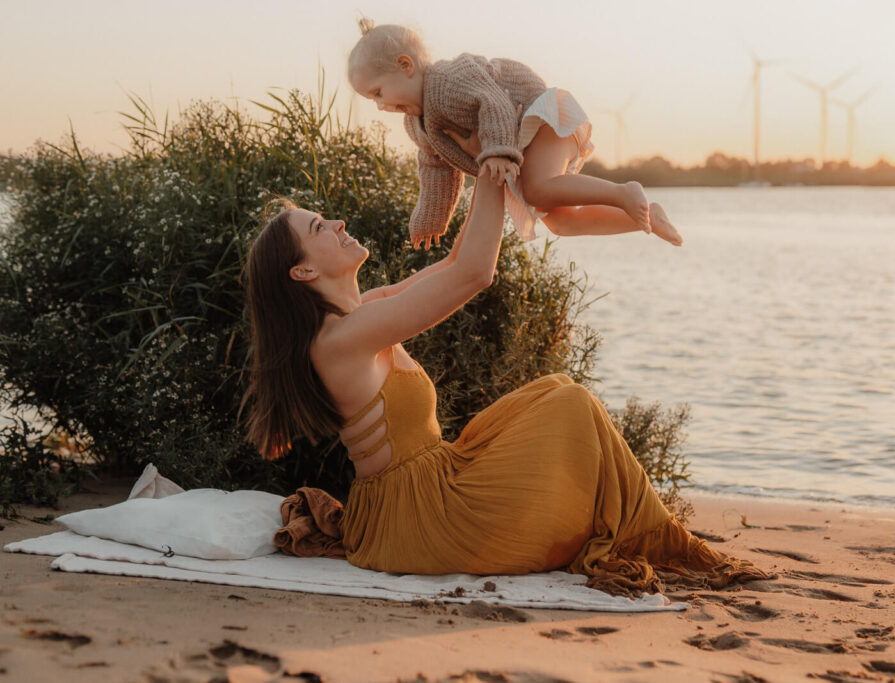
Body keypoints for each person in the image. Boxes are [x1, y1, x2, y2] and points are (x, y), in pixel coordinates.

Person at [243, 149, 768, 595]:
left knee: (555, 389)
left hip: (429, 489)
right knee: (573, 405)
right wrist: (497, 164)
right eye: (319, 228)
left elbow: (454, 262)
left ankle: (647, 532)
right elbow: (475, 272)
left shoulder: (363, 315)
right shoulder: (341, 340)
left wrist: (485, 166)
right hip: (421, 519)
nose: (337, 224)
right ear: (304, 271)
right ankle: (656, 537)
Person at [347, 19, 684, 250]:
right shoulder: (418, 124)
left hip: (537, 117)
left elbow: (493, 103)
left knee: (538, 189)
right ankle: (647, 218)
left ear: (406, 66)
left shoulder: (449, 79)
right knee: (561, 223)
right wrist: (429, 218)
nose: (379, 106)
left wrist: (495, 152)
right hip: (519, 141)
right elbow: (435, 170)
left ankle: (624, 192)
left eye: (378, 92)